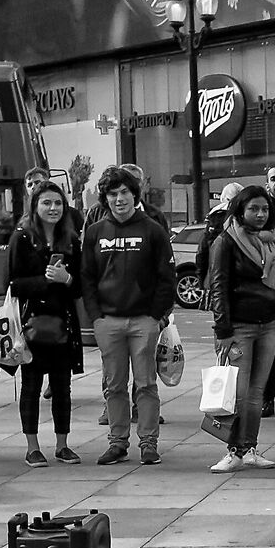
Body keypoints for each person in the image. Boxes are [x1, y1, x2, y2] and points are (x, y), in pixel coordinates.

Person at [79, 163, 176, 465]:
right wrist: (96, 317)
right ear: (105, 198)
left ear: (135, 195)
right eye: (112, 194)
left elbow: (167, 279)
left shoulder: (153, 230)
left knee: (146, 384)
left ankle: (148, 442)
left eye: (124, 192)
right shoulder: (95, 233)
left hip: (143, 322)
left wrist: (156, 316)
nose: (119, 199)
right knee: (114, 386)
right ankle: (117, 442)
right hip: (108, 322)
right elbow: (87, 278)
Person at [4, 179, 86, 466]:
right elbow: (13, 283)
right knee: (31, 385)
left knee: (62, 386)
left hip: (63, 324)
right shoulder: (22, 237)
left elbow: (79, 288)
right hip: (32, 324)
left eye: (58, 203)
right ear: (35, 206)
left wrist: (68, 279)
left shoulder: (71, 239)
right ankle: (32, 446)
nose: (53, 208)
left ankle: (63, 444)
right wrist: (45, 280)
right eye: (46, 203)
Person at [208, 183, 275, 472]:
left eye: (265, 209)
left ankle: (250, 447)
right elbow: (218, 286)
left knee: (257, 393)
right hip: (239, 327)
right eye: (253, 208)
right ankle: (233, 450)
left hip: (268, 324)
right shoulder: (226, 241)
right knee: (238, 394)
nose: (260, 214)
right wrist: (223, 330)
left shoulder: (269, 241)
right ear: (240, 209)